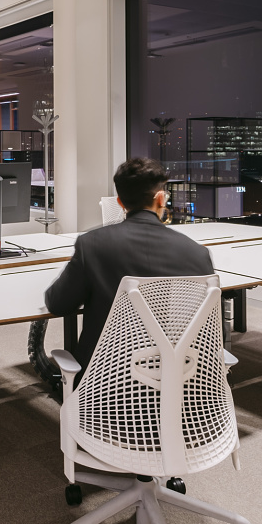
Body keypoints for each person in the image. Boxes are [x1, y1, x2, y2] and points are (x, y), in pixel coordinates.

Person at [45, 157, 215, 379]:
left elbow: (58, 304)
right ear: (161, 199)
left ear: (120, 202)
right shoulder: (197, 253)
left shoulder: (93, 245)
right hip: (178, 382)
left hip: (105, 385)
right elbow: (210, 331)